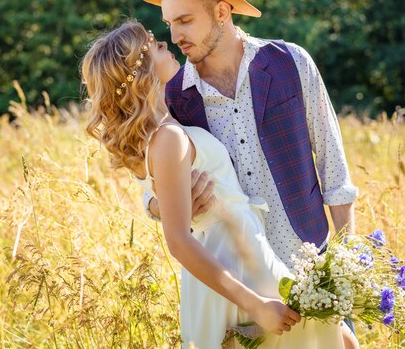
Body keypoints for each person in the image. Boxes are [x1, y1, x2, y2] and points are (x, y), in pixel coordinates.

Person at [131, 0, 360, 348]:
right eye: (169, 24)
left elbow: (336, 176)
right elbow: (148, 189)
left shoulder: (291, 63)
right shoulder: (172, 96)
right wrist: (161, 205)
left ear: (222, 10)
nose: (175, 36)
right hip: (237, 294)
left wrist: (345, 274)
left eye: (185, 20)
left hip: (312, 277)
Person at [81, 20, 348, 348]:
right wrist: (255, 304)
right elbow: (178, 242)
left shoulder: (168, 127)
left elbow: (153, 190)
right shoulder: (167, 139)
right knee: (329, 340)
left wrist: (158, 202)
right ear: (143, 73)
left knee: (337, 339)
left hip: (247, 251)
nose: (167, 43)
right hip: (236, 266)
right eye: (157, 45)